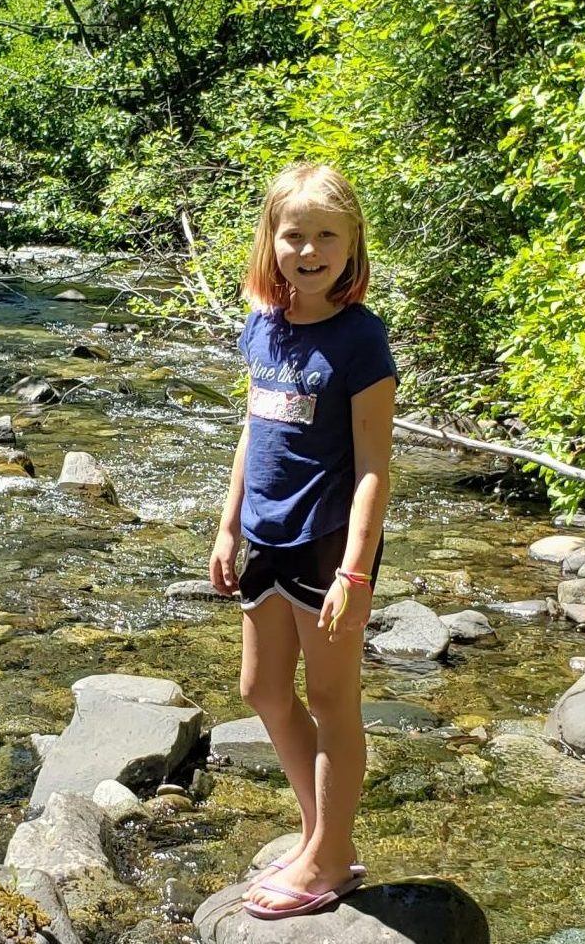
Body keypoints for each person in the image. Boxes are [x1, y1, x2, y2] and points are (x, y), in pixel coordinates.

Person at [209, 163, 397, 919]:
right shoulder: (263, 324)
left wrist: (355, 572)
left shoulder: (359, 339)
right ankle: (321, 833)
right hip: (264, 534)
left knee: (329, 698)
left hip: (327, 544)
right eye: (294, 235)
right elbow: (253, 430)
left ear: (351, 245)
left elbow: (374, 466)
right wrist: (226, 524)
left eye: (326, 235)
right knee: (259, 689)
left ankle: (327, 860)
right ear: (271, 240)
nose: (309, 250)